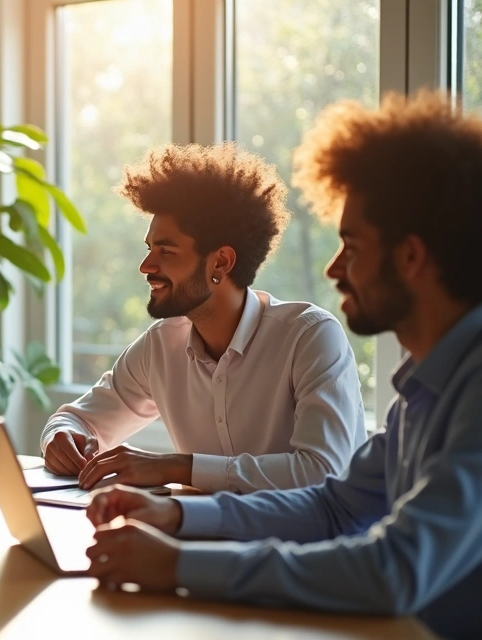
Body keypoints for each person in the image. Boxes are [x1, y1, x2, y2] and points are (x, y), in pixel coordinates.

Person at [82, 91, 482, 639]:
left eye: (352, 246)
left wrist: (178, 565)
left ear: (411, 257)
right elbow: (335, 507)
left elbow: (393, 570)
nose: (335, 268)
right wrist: (176, 518)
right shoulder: (426, 388)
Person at [41, 143, 366, 493]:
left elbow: (323, 472)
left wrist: (176, 467)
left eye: (166, 251)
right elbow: (76, 418)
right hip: (207, 537)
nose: (146, 267)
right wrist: (60, 437)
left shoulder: (309, 337)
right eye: (149, 249)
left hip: (312, 544)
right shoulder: (161, 345)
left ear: (220, 263)